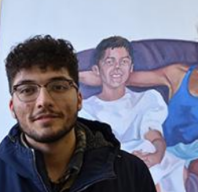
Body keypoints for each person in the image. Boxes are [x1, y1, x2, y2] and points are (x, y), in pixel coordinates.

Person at [0, 35, 156, 192]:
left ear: (79, 99)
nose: (44, 101)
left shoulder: (131, 175)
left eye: (58, 87)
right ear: (12, 107)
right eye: (27, 90)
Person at [78, 36, 186, 192]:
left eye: (124, 62)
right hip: (114, 163)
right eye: (110, 62)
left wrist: (157, 155)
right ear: (96, 70)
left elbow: (154, 137)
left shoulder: (146, 100)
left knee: (163, 165)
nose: (117, 67)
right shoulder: (87, 109)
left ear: (131, 68)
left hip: (144, 156)